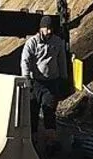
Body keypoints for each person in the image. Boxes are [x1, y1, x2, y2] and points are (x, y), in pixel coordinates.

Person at [21, 14, 70, 149]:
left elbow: (62, 61)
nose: (49, 31)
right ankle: (32, 139)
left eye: (50, 29)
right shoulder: (32, 43)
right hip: (36, 82)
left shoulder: (57, 42)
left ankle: (51, 140)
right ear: (41, 28)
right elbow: (25, 60)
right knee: (33, 111)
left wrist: (64, 78)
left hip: (52, 82)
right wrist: (26, 78)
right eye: (46, 28)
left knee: (49, 110)